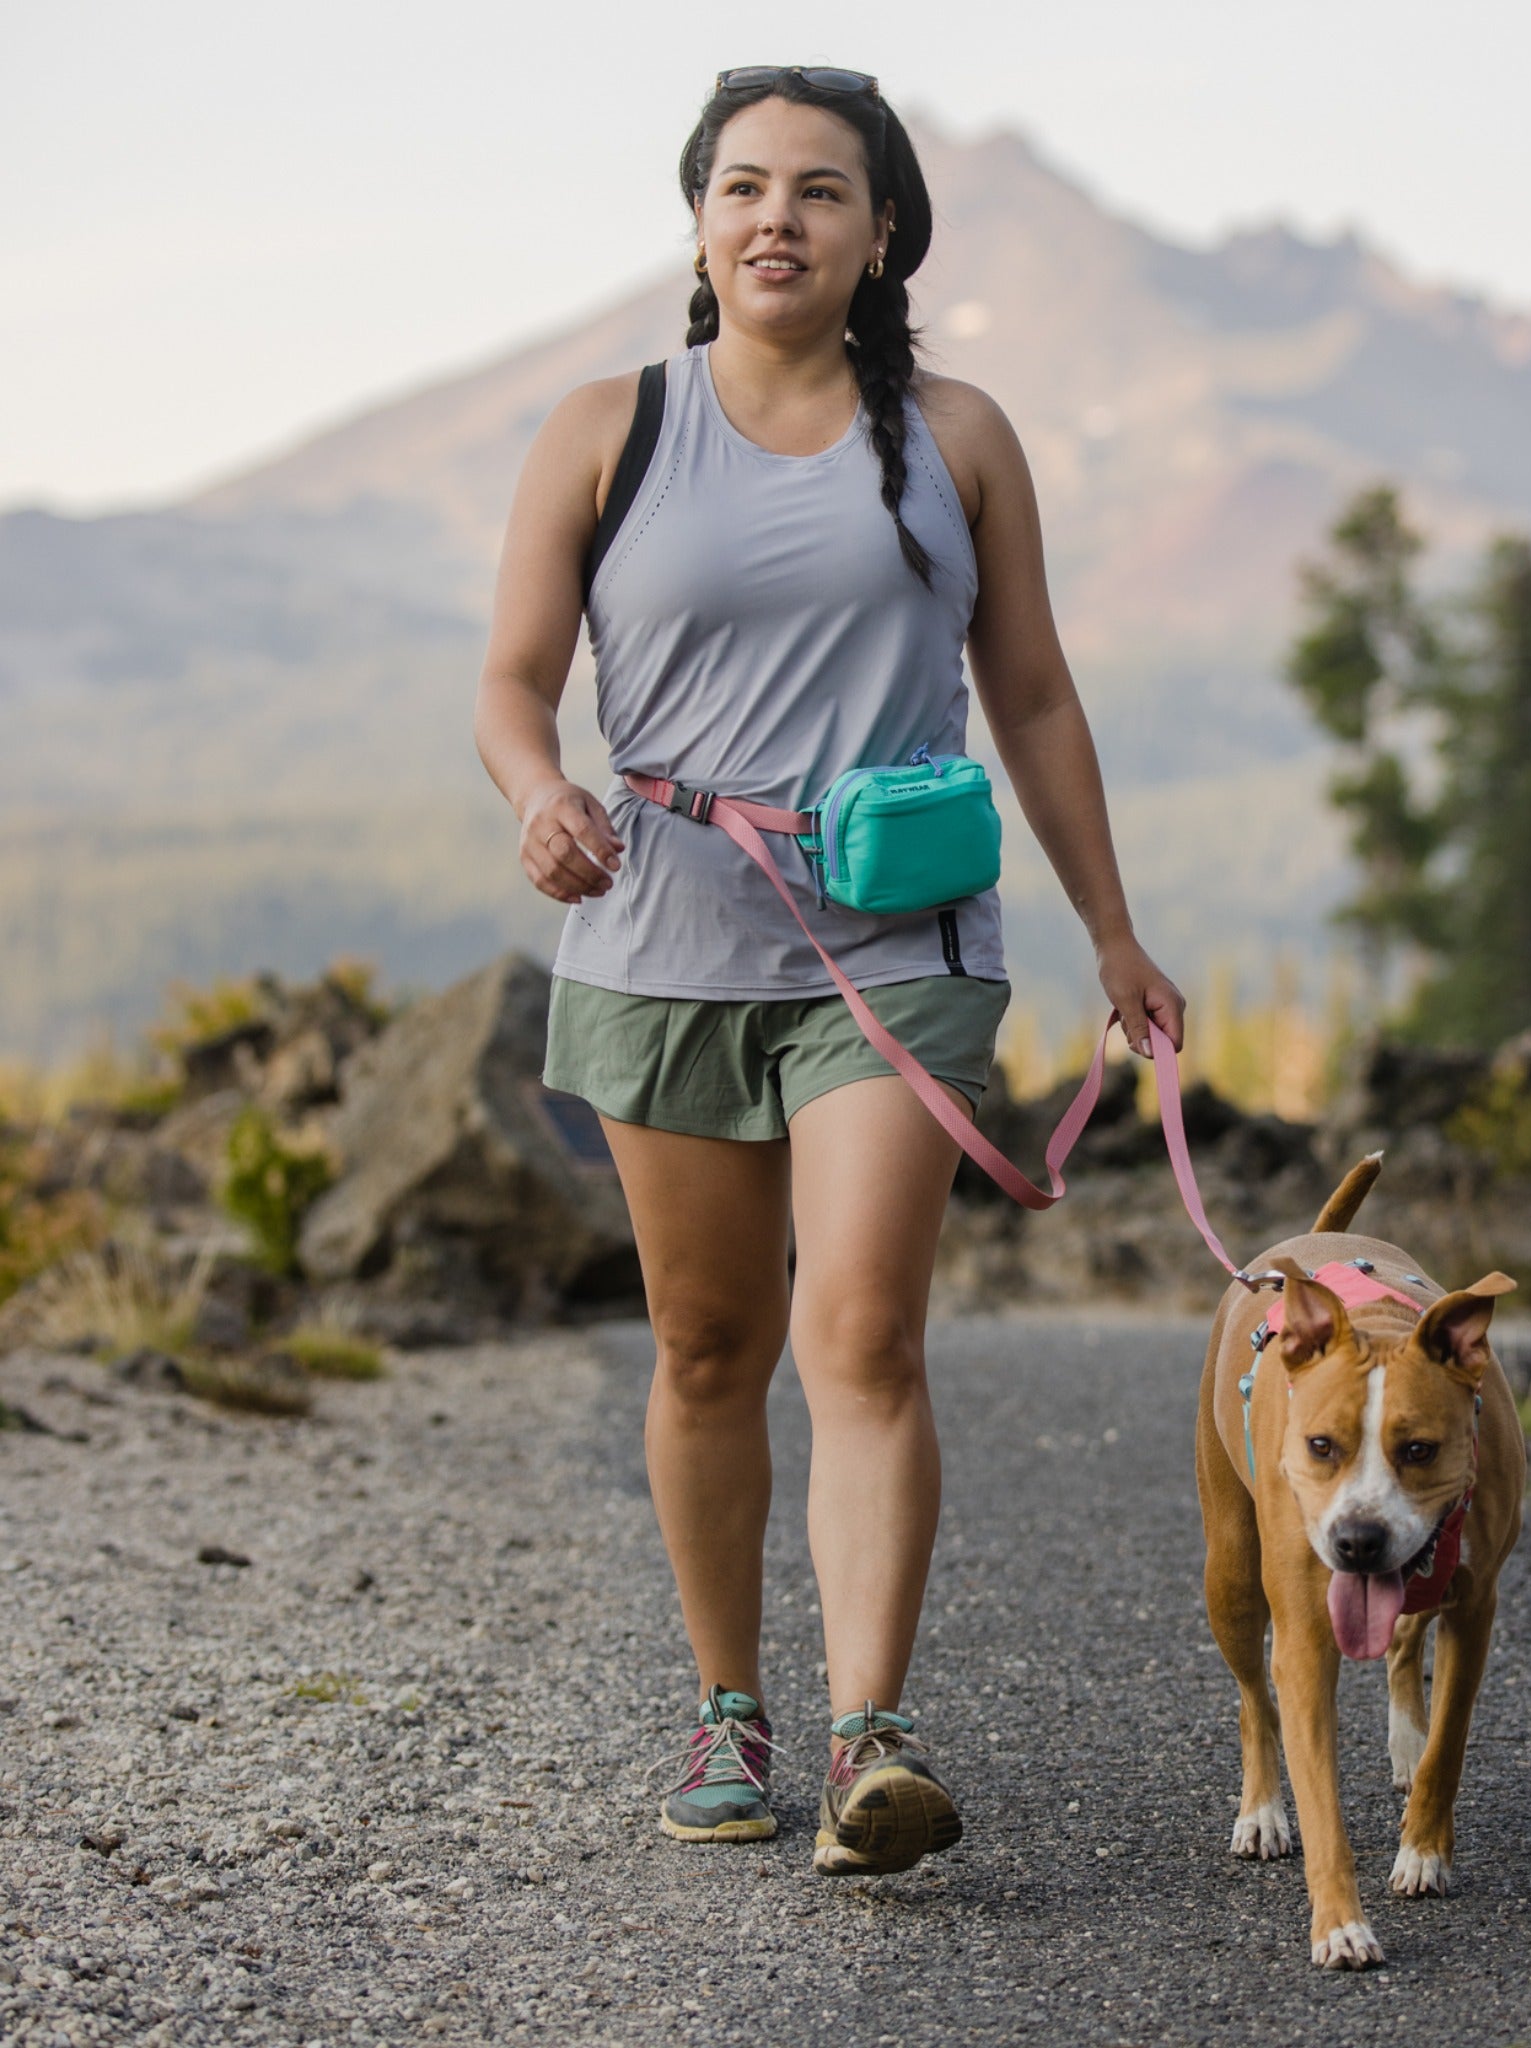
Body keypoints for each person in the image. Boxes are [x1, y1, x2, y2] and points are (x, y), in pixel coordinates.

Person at [473, 64, 1182, 1877]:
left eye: (822, 190)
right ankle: (731, 1714)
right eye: (743, 187)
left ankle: (876, 1740)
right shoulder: (602, 428)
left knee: (861, 1328)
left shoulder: (957, 434)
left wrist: (1112, 927)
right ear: (701, 223)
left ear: (885, 235)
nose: (777, 216)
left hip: (900, 946)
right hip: (660, 941)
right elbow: (511, 683)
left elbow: (1029, 692)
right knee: (709, 1344)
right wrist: (542, 790)